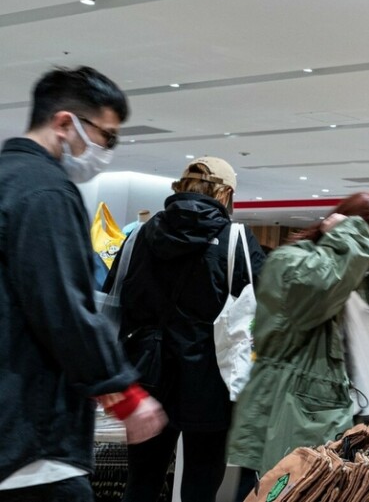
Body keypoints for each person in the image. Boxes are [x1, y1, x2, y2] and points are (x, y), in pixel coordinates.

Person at [0, 66, 166, 501]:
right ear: (64, 123)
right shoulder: (46, 192)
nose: (106, 150)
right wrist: (121, 389)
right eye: (106, 136)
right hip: (32, 438)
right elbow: (63, 306)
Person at [105, 157, 265, 502]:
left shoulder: (140, 236)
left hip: (147, 373)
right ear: (225, 194)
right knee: (200, 486)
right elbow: (265, 303)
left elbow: (117, 300)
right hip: (211, 380)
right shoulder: (236, 238)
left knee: (141, 482)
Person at [226, 192, 369, 498]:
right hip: (288, 408)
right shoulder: (293, 261)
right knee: (274, 491)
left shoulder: (345, 271)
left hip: (317, 410)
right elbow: (315, 295)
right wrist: (349, 237)